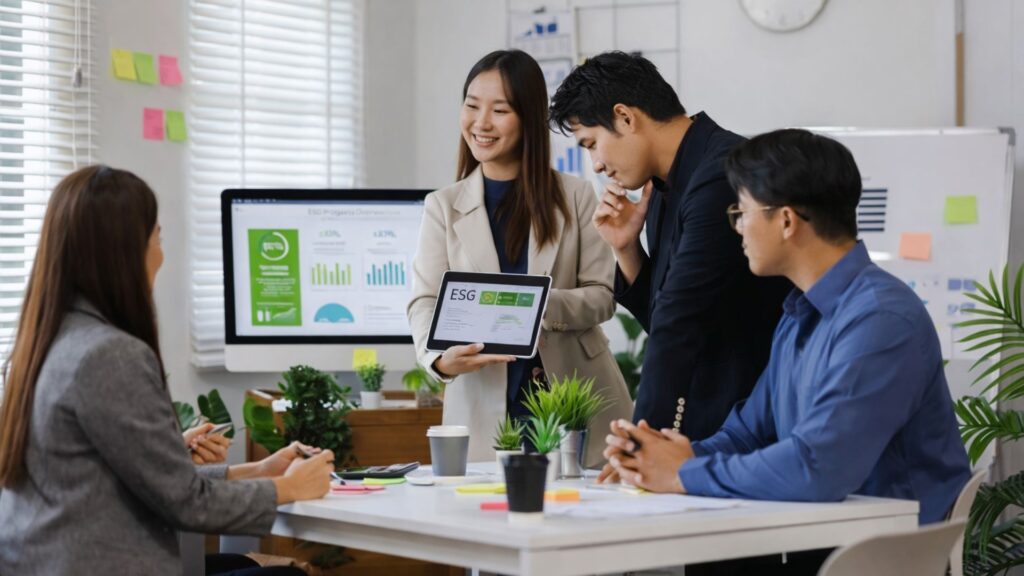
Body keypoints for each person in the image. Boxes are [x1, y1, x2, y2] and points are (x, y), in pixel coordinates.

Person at [604, 129, 972, 575]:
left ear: (786, 221)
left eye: (741, 212)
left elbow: (818, 466)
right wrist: (660, 456)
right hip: (821, 542)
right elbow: (748, 431)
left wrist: (683, 473)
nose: (737, 228)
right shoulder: (800, 311)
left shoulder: (881, 320)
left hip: (879, 560)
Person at [0, 165, 334, 576]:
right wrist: (289, 487)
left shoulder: (42, 343)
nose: (162, 252)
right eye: (157, 236)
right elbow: (186, 502)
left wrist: (255, 471)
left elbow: (119, 479)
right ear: (124, 251)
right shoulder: (109, 355)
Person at [549, 52, 792, 461]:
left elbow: (680, 321)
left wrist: (637, 446)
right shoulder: (661, 186)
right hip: (706, 422)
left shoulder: (723, 174)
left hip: (749, 424)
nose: (597, 164)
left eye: (592, 143)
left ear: (625, 117)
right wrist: (626, 249)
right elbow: (663, 316)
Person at [407, 50, 632, 465]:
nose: (481, 123)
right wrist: (438, 359)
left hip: (575, 398)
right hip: (483, 405)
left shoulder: (576, 195)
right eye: (472, 106)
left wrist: (530, 305)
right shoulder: (442, 206)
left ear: (527, 117)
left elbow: (603, 296)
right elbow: (424, 301)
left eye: (500, 109)